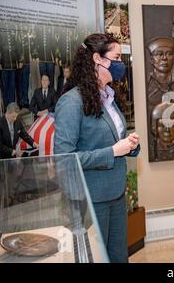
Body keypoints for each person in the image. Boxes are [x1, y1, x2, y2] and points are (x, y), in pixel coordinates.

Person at [54, 33, 140, 263]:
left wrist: (129, 146)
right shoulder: (71, 102)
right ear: (98, 59)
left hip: (117, 196)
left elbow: (113, 140)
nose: (122, 64)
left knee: (118, 257)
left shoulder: (109, 97)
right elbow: (64, 159)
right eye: (117, 57)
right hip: (90, 201)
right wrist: (112, 151)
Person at [146, 37, 174, 107]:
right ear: (151, 59)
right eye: (159, 54)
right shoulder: (146, 81)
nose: (164, 58)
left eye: (169, 54)